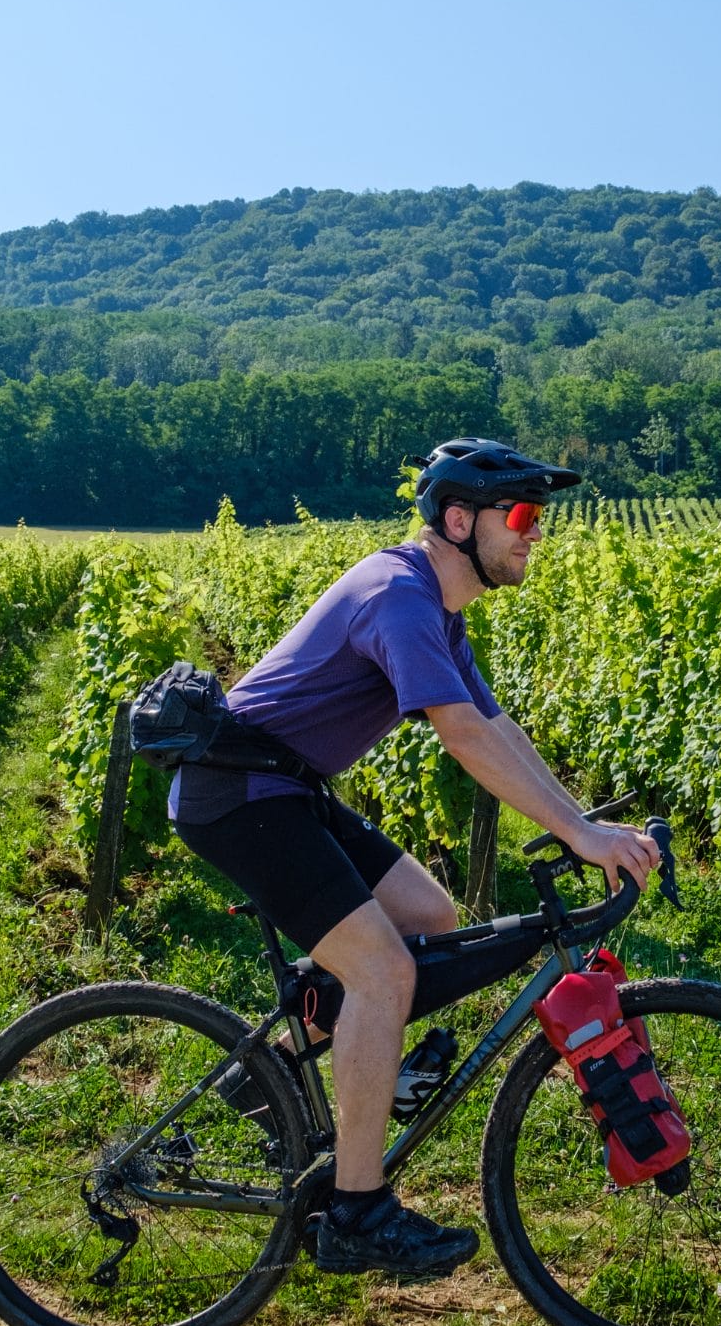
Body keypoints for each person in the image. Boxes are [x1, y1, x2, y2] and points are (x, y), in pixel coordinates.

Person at [169, 438, 663, 1279]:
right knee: (385, 976)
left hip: (283, 788)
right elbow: (461, 732)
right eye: (522, 516)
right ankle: (357, 1214)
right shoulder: (400, 596)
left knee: (431, 921)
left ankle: (274, 1070)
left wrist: (581, 820)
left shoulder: (438, 609)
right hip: (240, 796)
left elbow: (498, 725)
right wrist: (582, 838)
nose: (534, 533)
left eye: (538, 518)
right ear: (460, 520)